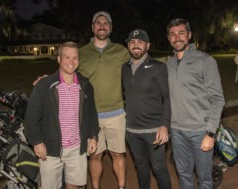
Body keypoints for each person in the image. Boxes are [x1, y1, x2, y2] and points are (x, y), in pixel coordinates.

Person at [25, 41, 100, 189]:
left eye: (75, 58)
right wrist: (36, 141)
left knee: (74, 185)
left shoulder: (85, 85)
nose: (71, 62)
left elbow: (92, 114)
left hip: (77, 147)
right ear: (59, 59)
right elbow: (31, 115)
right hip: (50, 148)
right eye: (67, 57)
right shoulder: (45, 85)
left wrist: (93, 136)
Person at [166, 18, 225, 189]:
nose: (177, 38)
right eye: (173, 34)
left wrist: (210, 133)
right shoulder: (168, 63)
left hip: (200, 132)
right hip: (176, 131)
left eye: (181, 33)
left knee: (204, 178)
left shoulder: (205, 61)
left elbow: (217, 99)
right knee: (183, 175)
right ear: (169, 38)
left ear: (189, 35)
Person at [78, 11, 130, 189]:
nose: (102, 26)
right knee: (95, 156)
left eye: (105, 23)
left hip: (117, 113)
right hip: (91, 114)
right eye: (98, 23)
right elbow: (66, 72)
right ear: (92, 27)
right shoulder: (82, 53)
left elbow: (139, 65)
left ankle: (121, 187)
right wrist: (47, 79)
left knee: (118, 154)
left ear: (111, 28)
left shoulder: (121, 51)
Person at [122, 29, 172, 189]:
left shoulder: (158, 67)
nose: (136, 45)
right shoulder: (124, 68)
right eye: (132, 42)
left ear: (147, 45)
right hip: (132, 132)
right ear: (128, 45)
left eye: (140, 42)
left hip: (154, 131)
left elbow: (167, 98)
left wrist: (164, 126)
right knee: (141, 167)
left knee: (158, 168)